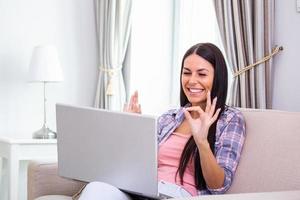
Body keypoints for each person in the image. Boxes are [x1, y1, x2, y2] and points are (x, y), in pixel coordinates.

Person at [78, 43, 246, 199]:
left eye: (201, 74)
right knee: (96, 188)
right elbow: (136, 165)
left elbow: (219, 186)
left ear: (218, 77)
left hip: (177, 194)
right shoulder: (170, 117)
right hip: (145, 190)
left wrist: (202, 142)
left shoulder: (230, 120)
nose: (192, 80)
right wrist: (130, 126)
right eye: (186, 72)